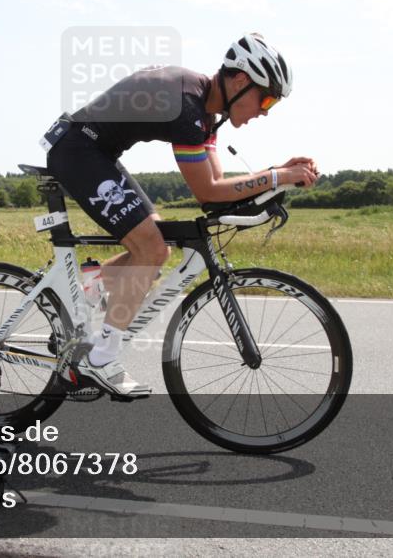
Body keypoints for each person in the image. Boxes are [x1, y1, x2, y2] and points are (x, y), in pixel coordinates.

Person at [45, 32, 319, 398]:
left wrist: (275, 174)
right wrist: (277, 176)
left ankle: (88, 289)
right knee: (151, 250)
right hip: (79, 152)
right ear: (240, 81)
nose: (265, 110)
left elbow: (219, 184)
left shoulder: (205, 111)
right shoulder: (188, 108)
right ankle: (100, 359)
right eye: (265, 97)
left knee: (158, 243)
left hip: (94, 152)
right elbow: (207, 192)